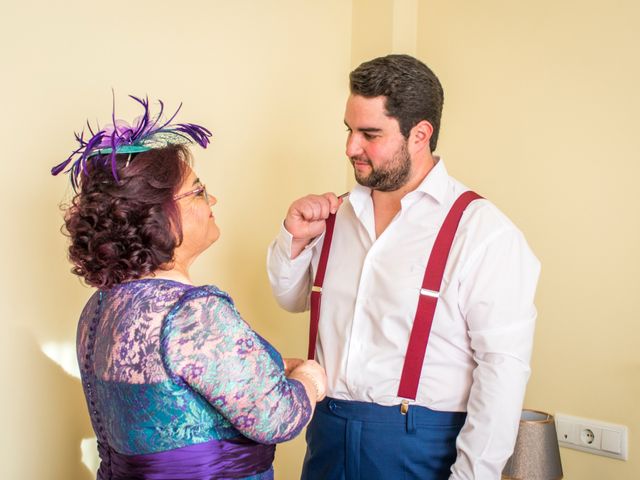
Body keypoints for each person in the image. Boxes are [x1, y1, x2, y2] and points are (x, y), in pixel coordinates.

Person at [267, 54, 541, 479]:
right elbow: (293, 299)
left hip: (421, 449)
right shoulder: (336, 215)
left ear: (420, 134)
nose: (350, 148)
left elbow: (502, 372)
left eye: (369, 134)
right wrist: (295, 239)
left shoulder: (483, 233)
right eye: (349, 130)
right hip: (325, 439)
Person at [52, 95, 327, 480]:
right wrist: (311, 379)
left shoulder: (99, 308)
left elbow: (173, 386)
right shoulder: (192, 312)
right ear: (159, 213)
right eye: (198, 191)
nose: (211, 199)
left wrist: (274, 367)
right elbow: (278, 418)